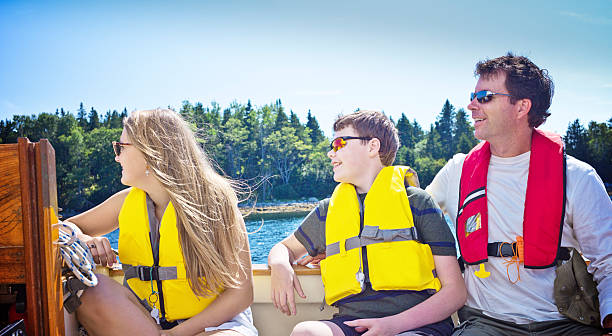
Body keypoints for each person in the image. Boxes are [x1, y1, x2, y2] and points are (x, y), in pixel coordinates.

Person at [426, 53, 612, 335]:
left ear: (522, 106)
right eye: (472, 96)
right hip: (486, 322)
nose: (471, 106)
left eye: (485, 96)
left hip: (566, 324)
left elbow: (607, 262)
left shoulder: (578, 177)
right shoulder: (456, 172)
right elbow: (408, 217)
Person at [268, 110, 466, 336]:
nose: (330, 153)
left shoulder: (417, 203)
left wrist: (392, 325)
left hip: (416, 325)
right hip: (353, 323)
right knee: (306, 332)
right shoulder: (327, 211)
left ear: (372, 147)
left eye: (339, 143)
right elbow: (284, 248)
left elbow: (455, 292)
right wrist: (281, 265)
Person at [61, 108, 257, 336]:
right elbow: (64, 228)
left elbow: (241, 294)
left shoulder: (215, 201)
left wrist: (176, 334)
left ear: (150, 152)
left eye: (120, 148)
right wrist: (86, 239)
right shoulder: (126, 202)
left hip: (217, 327)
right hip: (150, 325)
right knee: (92, 292)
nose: (116, 157)